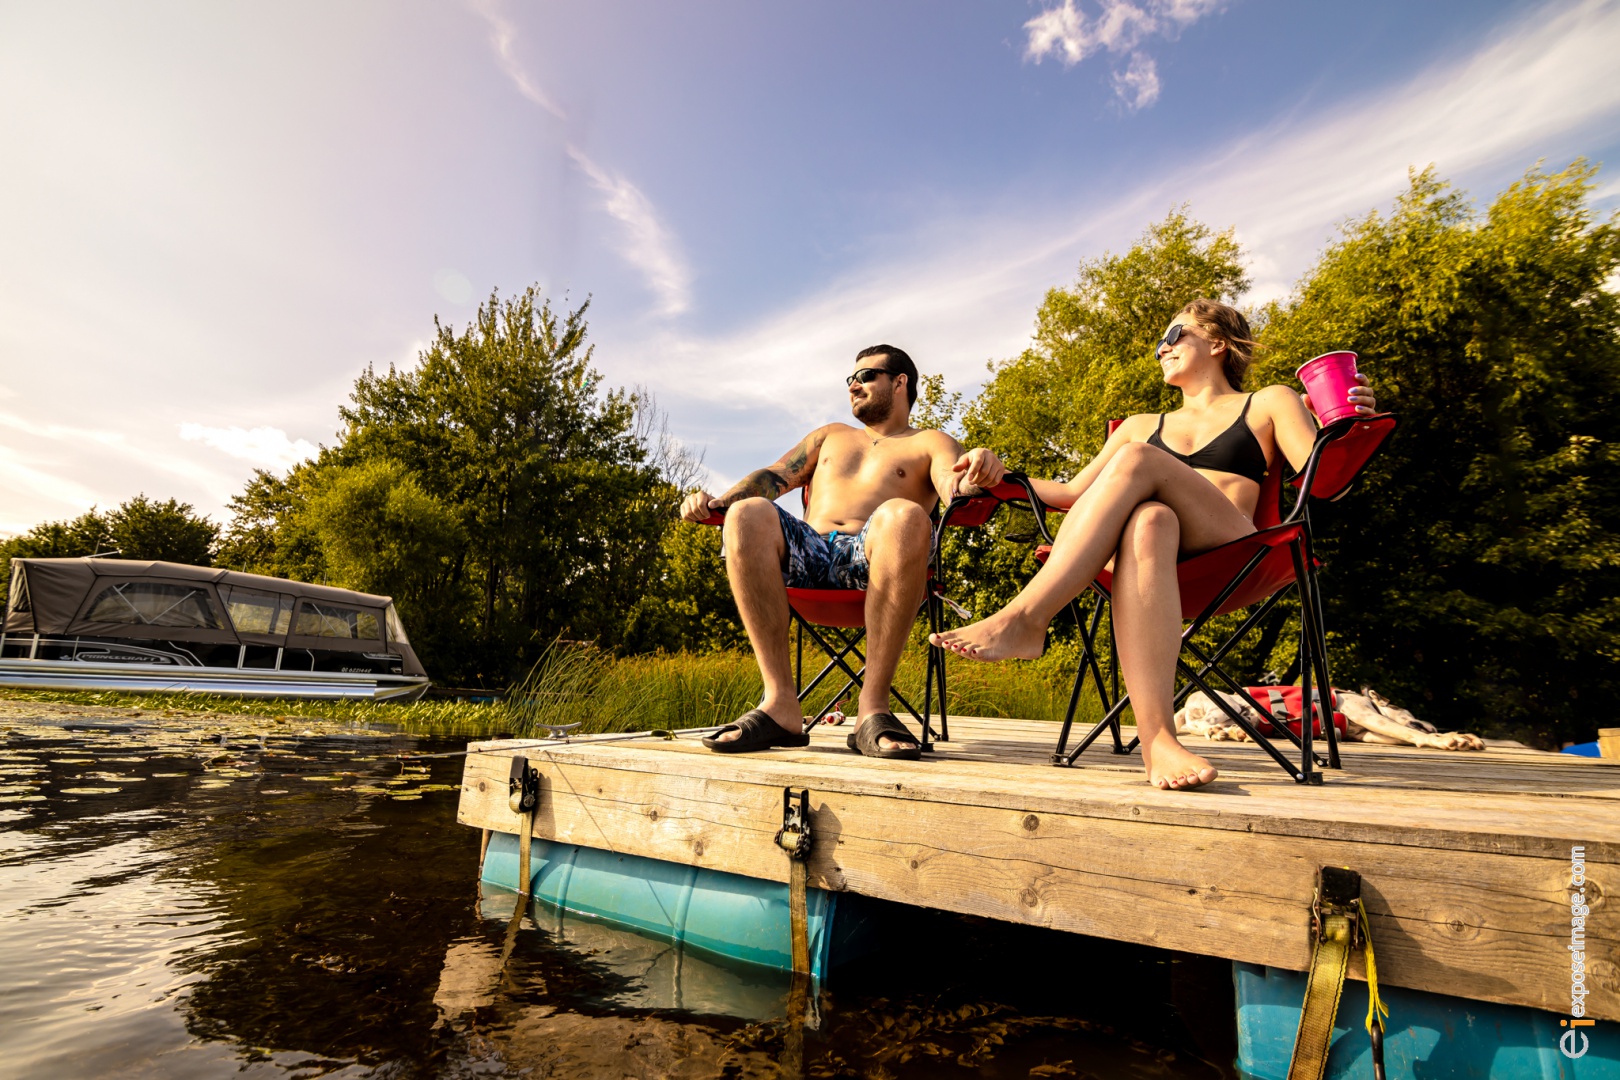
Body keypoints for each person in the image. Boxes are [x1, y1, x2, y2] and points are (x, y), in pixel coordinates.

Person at [930, 299, 1377, 791]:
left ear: (1217, 342)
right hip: (1150, 565)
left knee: (1139, 459)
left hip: (1233, 550)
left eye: (1174, 334)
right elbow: (1073, 494)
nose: (1161, 347)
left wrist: (1347, 429)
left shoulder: (1270, 401)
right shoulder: (1142, 423)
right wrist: (996, 471)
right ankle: (1158, 741)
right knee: (1150, 519)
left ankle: (1027, 617)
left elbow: (1327, 483)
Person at [680, 345, 1004, 759]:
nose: (854, 384)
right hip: (808, 555)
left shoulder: (930, 442)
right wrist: (717, 503)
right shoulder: (830, 435)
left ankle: (873, 709)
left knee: (904, 515)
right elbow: (775, 477)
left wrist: (981, 468)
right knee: (745, 513)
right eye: (850, 378)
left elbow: (954, 486)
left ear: (900, 382)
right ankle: (779, 705)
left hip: (878, 560)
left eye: (867, 375)